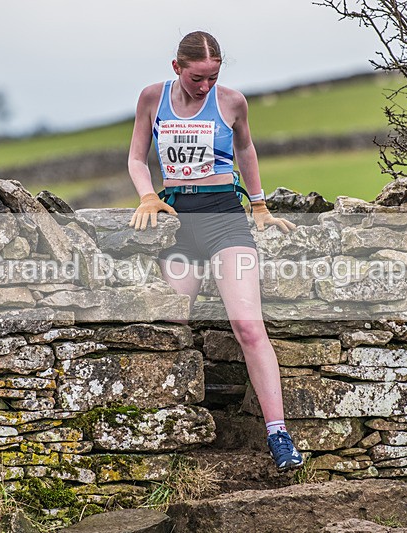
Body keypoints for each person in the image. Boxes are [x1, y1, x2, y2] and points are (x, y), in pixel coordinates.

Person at [127, 31, 304, 472]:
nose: (204, 86)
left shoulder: (232, 102)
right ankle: (174, 432)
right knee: (171, 323)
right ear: (177, 68)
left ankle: (278, 434)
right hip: (179, 224)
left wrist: (259, 204)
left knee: (247, 325)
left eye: (213, 76)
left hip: (226, 219)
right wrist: (148, 196)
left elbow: (245, 148)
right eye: (196, 78)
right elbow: (135, 158)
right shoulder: (152, 98)